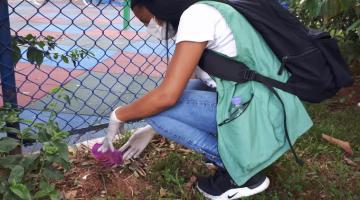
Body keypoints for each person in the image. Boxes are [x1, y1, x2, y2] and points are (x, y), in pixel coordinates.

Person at [97, 0, 313, 199]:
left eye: (147, 20)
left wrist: (119, 115)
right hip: (264, 100)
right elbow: (182, 82)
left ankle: (239, 170)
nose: (150, 27)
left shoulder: (197, 17)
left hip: (260, 108)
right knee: (168, 101)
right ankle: (243, 147)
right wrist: (151, 128)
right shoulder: (205, 9)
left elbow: (167, 96)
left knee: (159, 109)